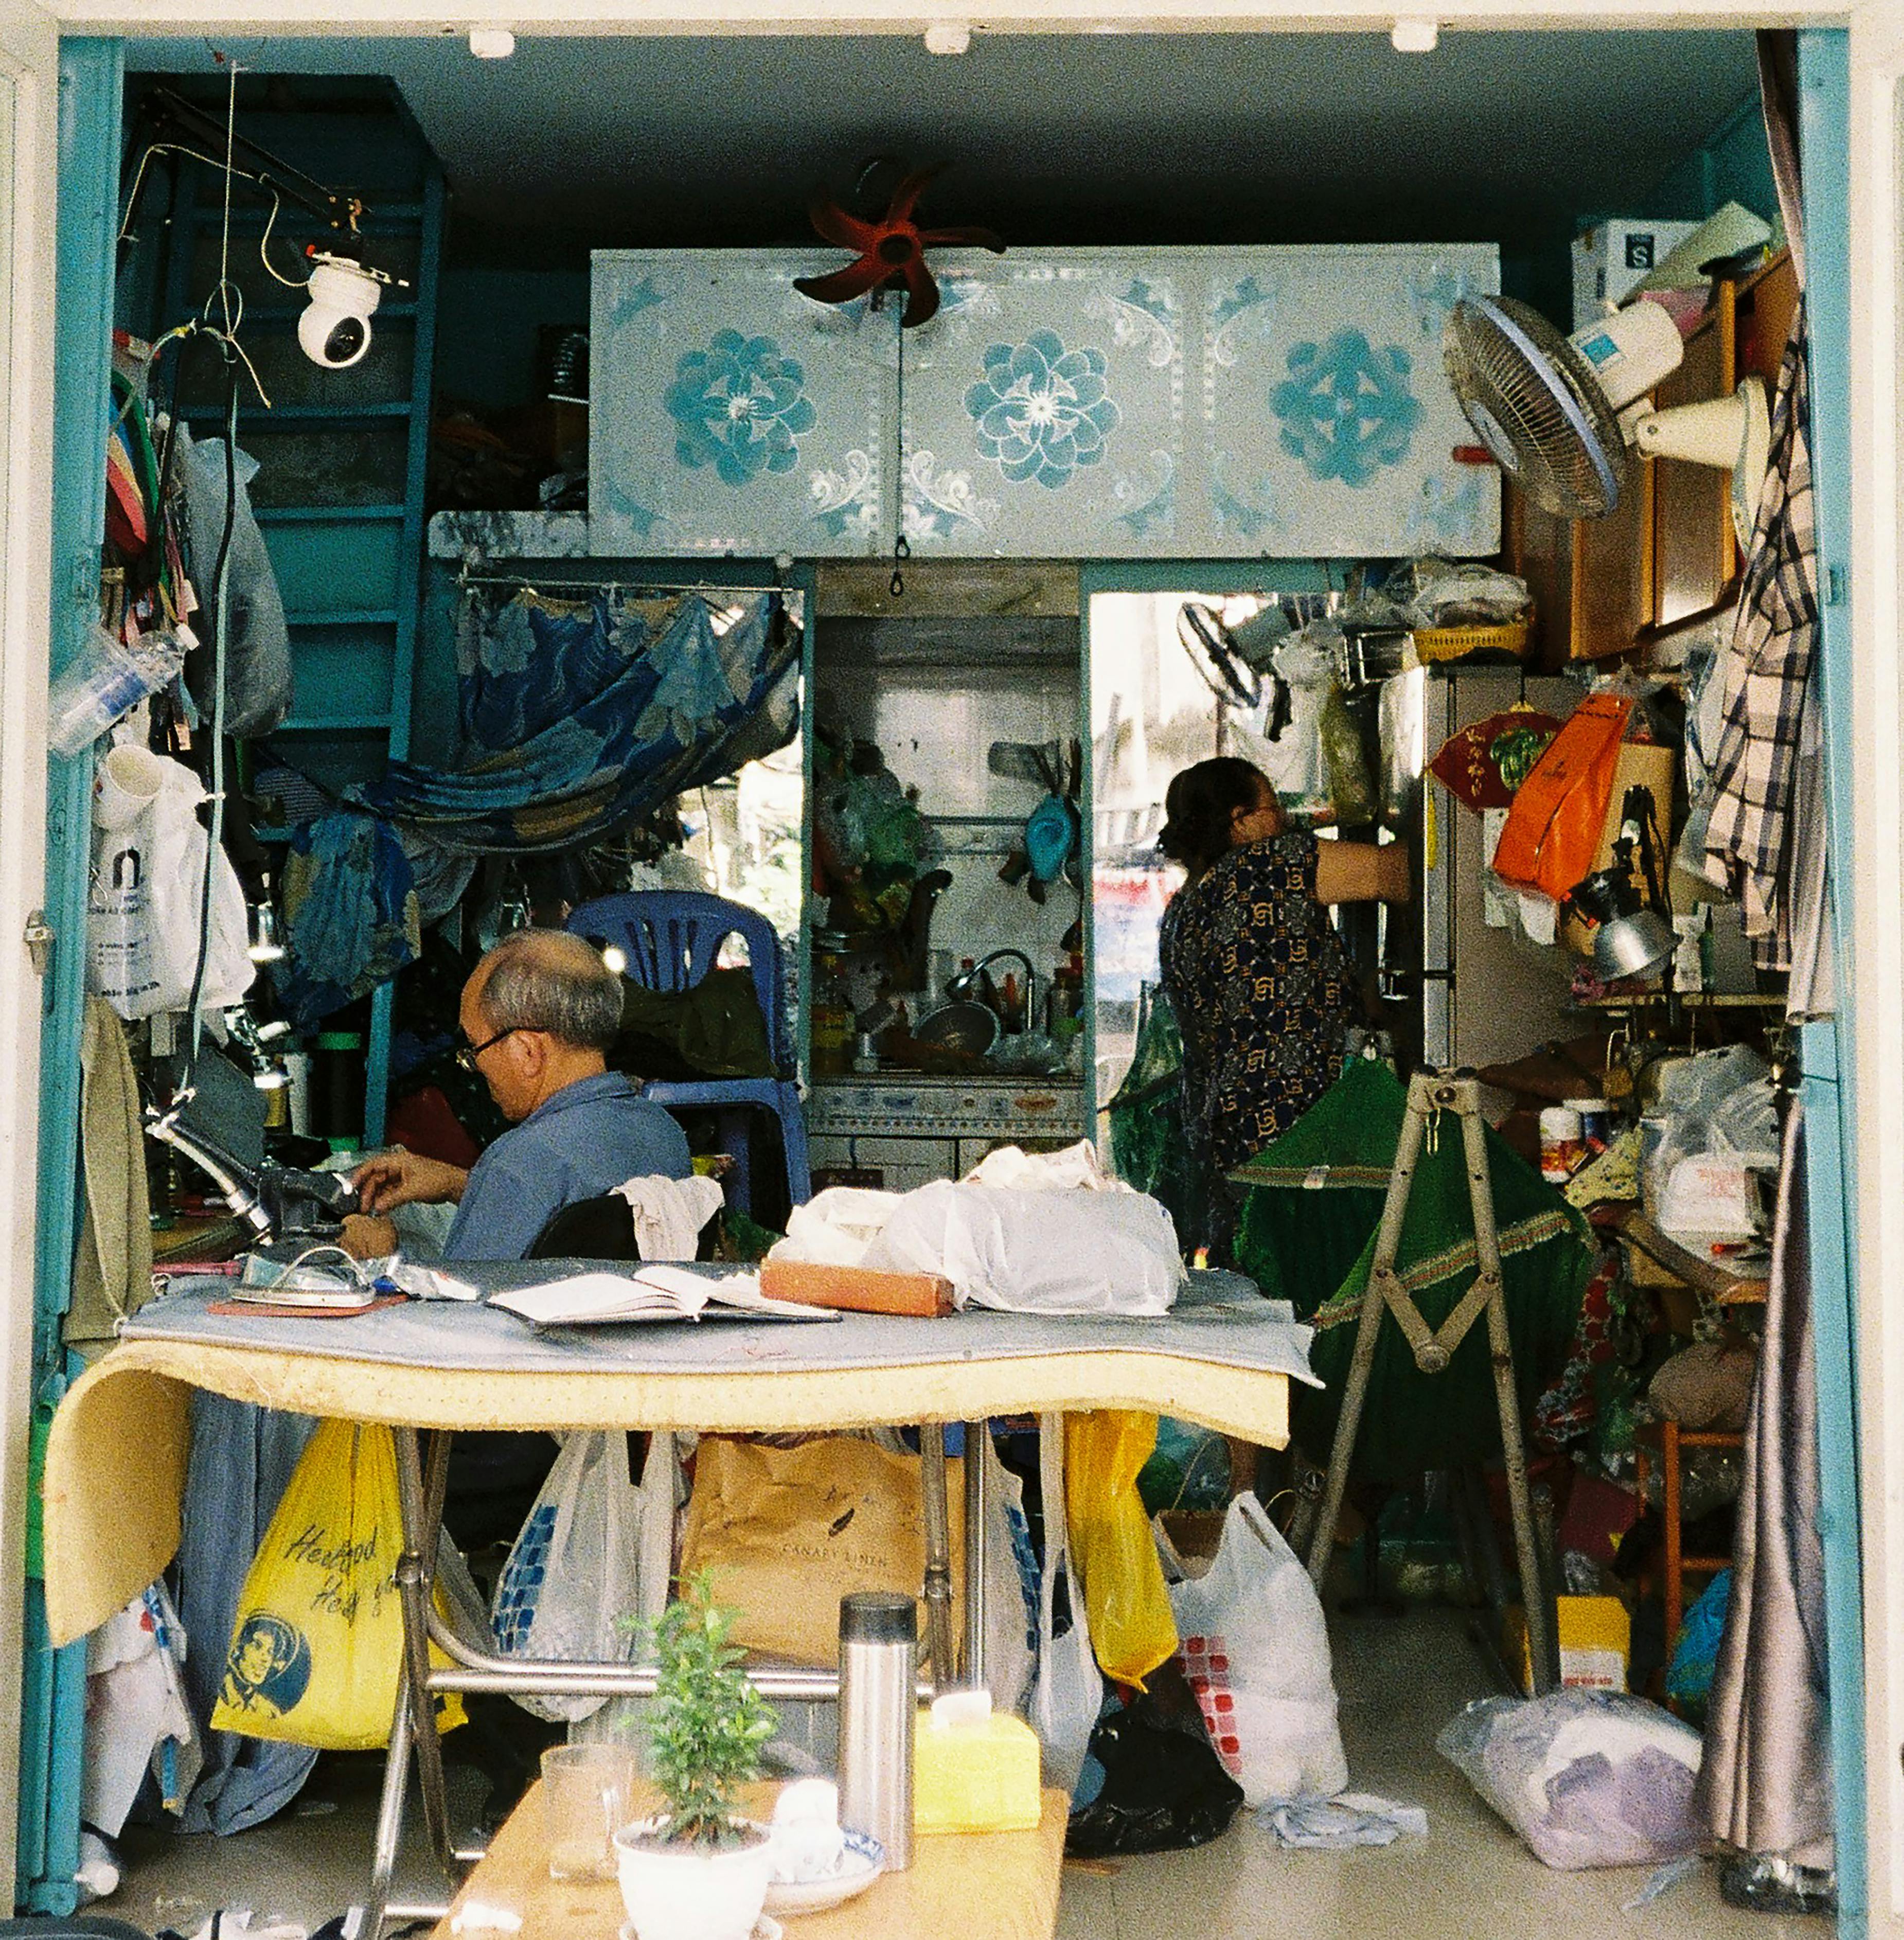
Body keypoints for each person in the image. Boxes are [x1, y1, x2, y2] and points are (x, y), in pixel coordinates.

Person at [1158, 757, 1410, 1244]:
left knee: (1266, 1261)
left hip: (1228, 1131)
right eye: (1273, 808)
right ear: (1240, 821)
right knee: (1324, 1258)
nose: (1283, 820)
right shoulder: (1268, 866)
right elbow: (1399, 872)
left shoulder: (1184, 907)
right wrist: (1423, 817)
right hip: (1299, 1123)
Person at [344, 927, 691, 1260]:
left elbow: (459, 1300)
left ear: (528, 1051)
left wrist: (383, 1255)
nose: (474, 1066)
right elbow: (575, 1225)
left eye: (474, 1048)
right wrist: (462, 1185)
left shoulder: (518, 1162)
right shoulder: (665, 1132)